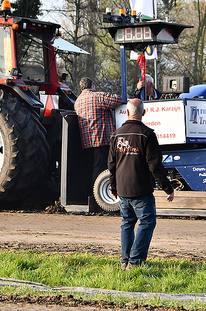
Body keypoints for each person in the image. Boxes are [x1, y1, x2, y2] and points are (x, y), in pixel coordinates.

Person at [108, 98, 174, 271]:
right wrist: (168, 188)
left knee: (127, 223)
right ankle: (135, 261)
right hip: (141, 190)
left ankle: (125, 261)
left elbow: (111, 165)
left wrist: (114, 187)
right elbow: (155, 165)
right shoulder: (147, 134)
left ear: (127, 112)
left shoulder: (116, 134)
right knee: (147, 222)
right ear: (143, 113)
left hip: (122, 190)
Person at [74, 77, 123, 185]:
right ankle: (100, 192)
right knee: (101, 168)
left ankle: (93, 192)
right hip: (101, 139)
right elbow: (118, 100)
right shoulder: (98, 96)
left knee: (94, 167)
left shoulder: (77, 101)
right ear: (92, 86)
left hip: (86, 141)